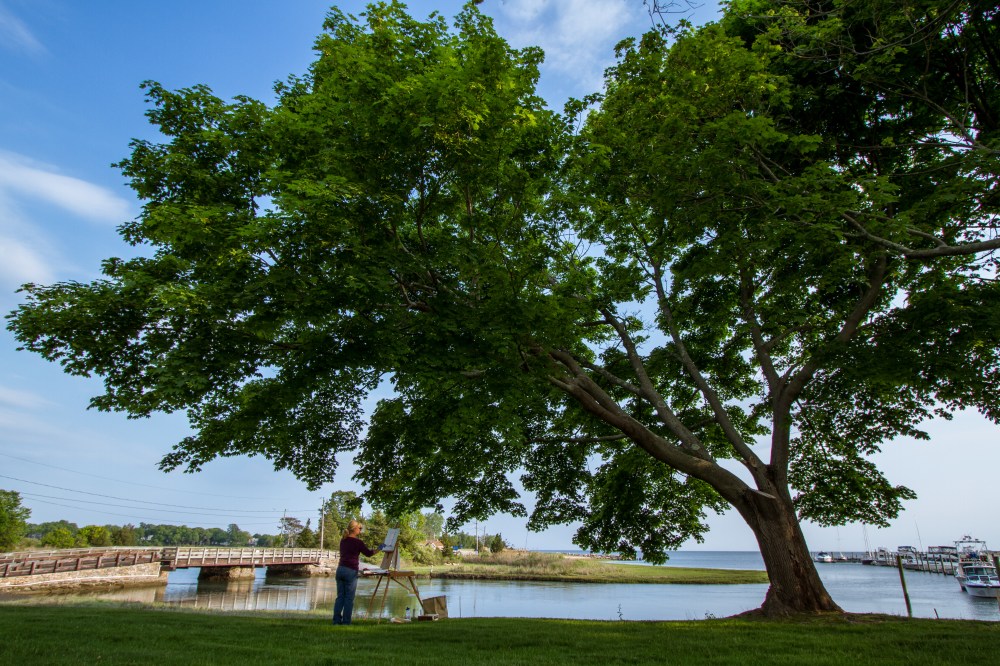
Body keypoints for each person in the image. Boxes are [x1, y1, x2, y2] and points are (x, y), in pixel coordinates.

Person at [332, 520, 382, 625]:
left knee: (340, 596)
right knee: (349, 598)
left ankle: (336, 621)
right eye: (359, 528)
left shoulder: (343, 540)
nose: (360, 530)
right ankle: (346, 622)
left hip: (340, 570)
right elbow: (368, 554)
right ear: (354, 529)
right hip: (350, 571)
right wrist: (379, 549)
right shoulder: (358, 542)